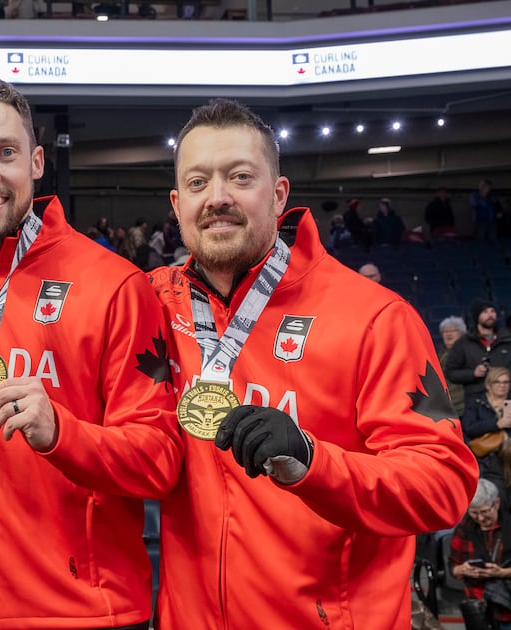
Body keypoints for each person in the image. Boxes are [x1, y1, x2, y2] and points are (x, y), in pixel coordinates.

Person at [147, 98, 475, 629]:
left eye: (240, 176)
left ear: (278, 196)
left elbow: (445, 485)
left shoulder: (376, 318)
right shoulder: (153, 305)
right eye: (198, 182)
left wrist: (313, 461)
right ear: (177, 202)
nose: (218, 197)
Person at [0, 78, 181, 629]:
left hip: (87, 615)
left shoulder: (116, 285)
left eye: (6, 153)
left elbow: (160, 458)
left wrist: (62, 434)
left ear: (38, 161)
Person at [451, 478, 511, 629]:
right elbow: (453, 567)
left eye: (485, 511)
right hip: (478, 607)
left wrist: (501, 573)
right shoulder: (464, 528)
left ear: (496, 503)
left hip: (507, 605)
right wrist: (462, 569)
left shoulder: (508, 525)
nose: (480, 518)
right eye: (474, 513)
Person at [446, 299, 511, 403]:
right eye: (485, 312)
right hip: (476, 402)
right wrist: (473, 373)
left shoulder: (507, 340)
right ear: (477, 316)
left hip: (507, 399)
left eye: (492, 311)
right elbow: (451, 373)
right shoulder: (463, 343)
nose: (490, 315)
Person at [462, 367, 511, 487]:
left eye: (506, 382)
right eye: (497, 382)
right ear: (488, 385)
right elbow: (469, 428)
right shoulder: (476, 402)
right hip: (484, 456)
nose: (502, 385)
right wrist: (496, 424)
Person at [441, 315, 469, 417]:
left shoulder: (468, 353)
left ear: (462, 333)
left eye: (453, 330)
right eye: (445, 331)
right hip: (444, 407)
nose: (448, 334)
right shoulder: (438, 355)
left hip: (463, 407)